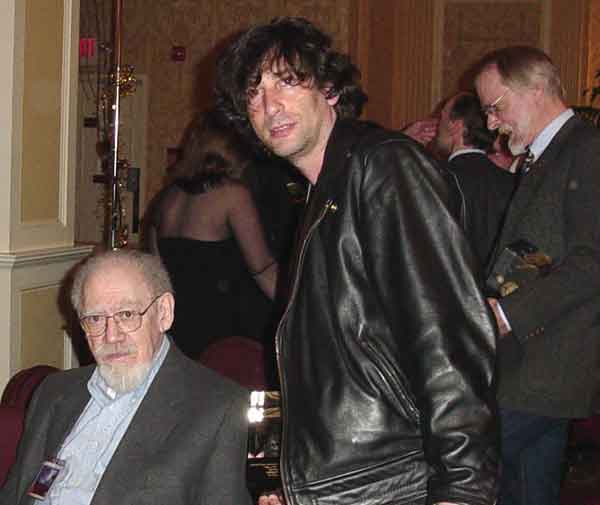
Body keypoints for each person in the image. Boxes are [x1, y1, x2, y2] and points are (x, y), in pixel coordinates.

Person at [216, 16, 499, 505]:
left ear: (328, 88)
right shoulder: (321, 195)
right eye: (254, 91)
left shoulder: (383, 166)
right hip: (349, 486)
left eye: (287, 80)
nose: (269, 105)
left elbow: (447, 333)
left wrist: (463, 489)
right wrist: (298, 482)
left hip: (396, 484)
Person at [0, 249, 250, 505]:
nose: (112, 336)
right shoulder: (55, 392)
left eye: (127, 315)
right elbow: (16, 495)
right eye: (95, 319)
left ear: (164, 312)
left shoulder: (217, 409)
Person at [474, 46, 600, 505]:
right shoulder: (552, 155)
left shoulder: (587, 149)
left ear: (537, 88)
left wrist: (506, 315)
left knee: (463, 469)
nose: (491, 123)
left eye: (496, 107)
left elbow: (593, 264)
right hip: (535, 367)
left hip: (547, 367)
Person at [146, 108, 278, 359]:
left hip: (178, 330)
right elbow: (262, 268)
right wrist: (301, 307)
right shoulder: (232, 195)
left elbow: (156, 276)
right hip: (224, 332)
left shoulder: (165, 199)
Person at [433, 92, 515, 268]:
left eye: (442, 118)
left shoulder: (436, 180)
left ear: (457, 125)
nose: (437, 126)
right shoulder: (515, 183)